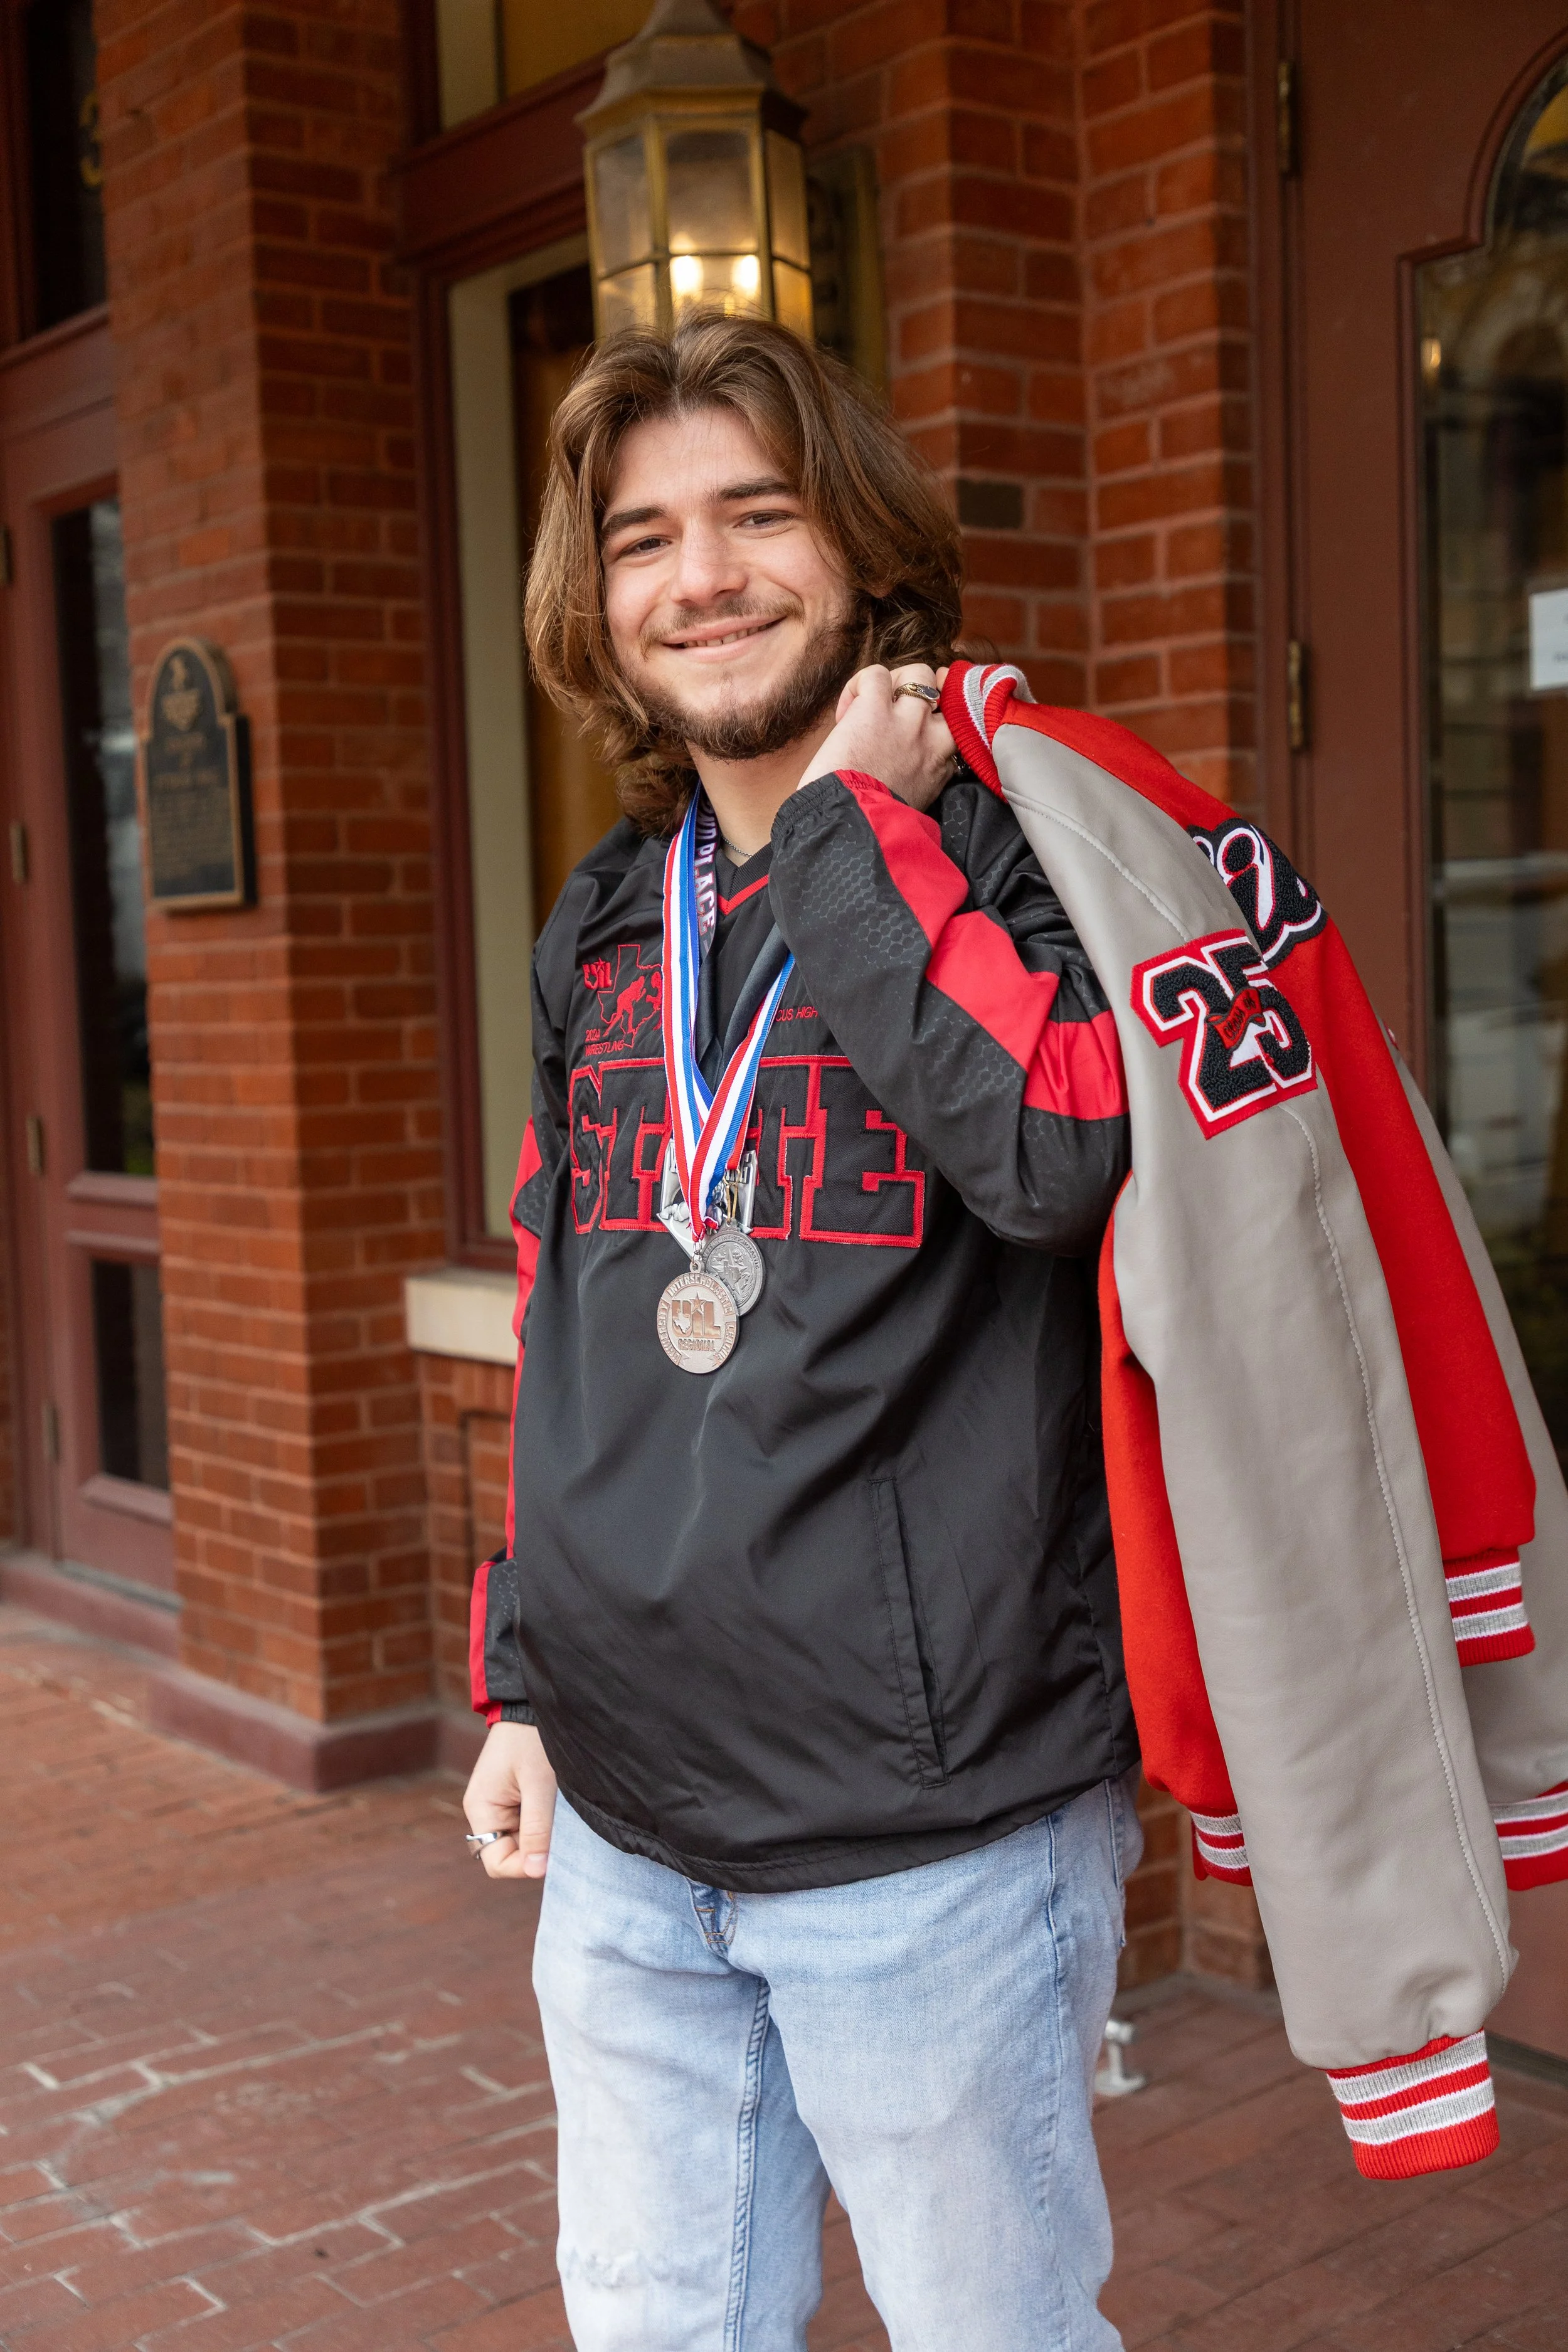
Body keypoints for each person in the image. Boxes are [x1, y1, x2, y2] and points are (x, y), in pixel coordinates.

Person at [462, 311, 1140, 2352]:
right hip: (628, 1819)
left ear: (856, 541)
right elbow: (560, 1311)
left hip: (924, 1832)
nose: (703, 575)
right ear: (601, 599)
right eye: (648, 533)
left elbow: (1049, 1151)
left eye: (756, 512)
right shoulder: (604, 917)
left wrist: (853, 836)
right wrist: (522, 1676)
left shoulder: (1029, 857)